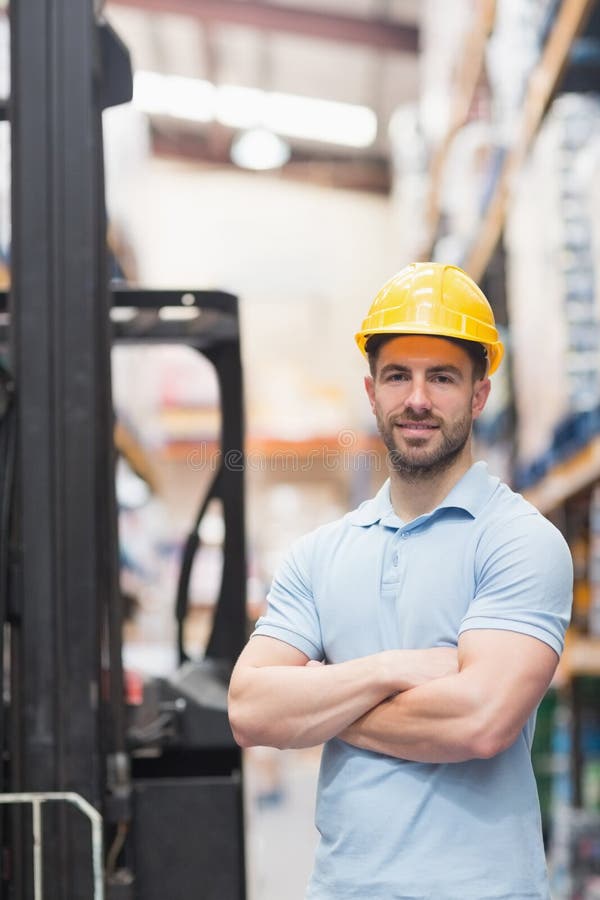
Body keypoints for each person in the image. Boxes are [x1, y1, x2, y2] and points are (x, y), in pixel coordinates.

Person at [228, 262, 573, 900]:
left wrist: (320, 706)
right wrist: (390, 669)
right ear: (371, 392)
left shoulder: (520, 540)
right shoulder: (319, 554)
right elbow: (250, 710)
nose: (417, 399)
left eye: (441, 377)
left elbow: (479, 722)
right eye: (398, 376)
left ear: (478, 394)